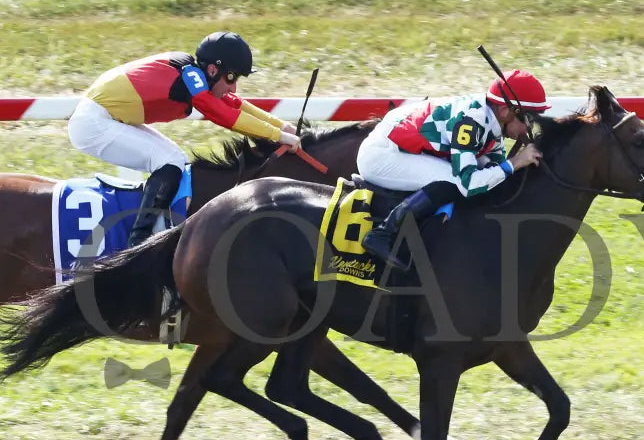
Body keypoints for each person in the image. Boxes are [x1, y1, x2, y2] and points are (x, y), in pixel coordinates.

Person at [68, 31, 302, 247]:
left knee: (175, 159)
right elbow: (223, 115)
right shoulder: (191, 77)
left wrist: (281, 126)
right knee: (169, 160)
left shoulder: (194, 74)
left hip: (107, 117)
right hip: (94, 124)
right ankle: (138, 244)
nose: (234, 86)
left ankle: (146, 234)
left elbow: (234, 103)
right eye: (231, 77)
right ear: (213, 70)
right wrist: (278, 136)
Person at [358, 69, 548, 269]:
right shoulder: (470, 122)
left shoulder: (494, 126)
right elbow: (469, 183)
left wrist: (508, 168)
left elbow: (493, 172)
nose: (528, 128)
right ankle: (381, 233)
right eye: (527, 118)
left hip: (406, 146)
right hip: (382, 155)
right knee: (454, 182)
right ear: (504, 111)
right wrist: (515, 162)